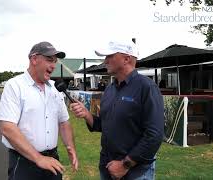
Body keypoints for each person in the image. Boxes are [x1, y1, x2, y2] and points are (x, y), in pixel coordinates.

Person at [70, 39, 164, 180]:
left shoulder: (147, 87)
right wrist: (86, 114)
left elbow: (154, 135)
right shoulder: (110, 89)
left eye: (109, 56)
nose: (105, 61)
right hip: (107, 166)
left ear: (126, 59)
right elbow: (103, 125)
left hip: (135, 171)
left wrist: (125, 165)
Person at [0, 41, 78, 180]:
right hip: (23, 161)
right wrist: (38, 158)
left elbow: (64, 122)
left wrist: (70, 147)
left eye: (55, 62)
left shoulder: (55, 88)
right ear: (34, 59)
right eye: (49, 60)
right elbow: (7, 128)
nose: (53, 66)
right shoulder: (15, 86)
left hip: (53, 159)